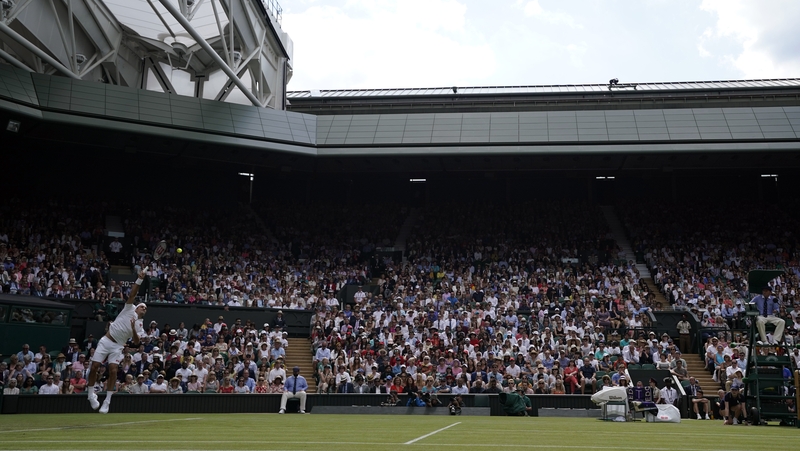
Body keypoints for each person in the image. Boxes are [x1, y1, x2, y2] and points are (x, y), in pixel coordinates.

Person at [87, 268, 148, 413]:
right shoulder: (129, 308)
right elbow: (133, 292)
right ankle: (90, 395)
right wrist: (139, 279)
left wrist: (133, 328)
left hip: (118, 347)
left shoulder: (140, 324)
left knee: (113, 370)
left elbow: (136, 342)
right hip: (106, 341)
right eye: (143, 307)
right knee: (95, 366)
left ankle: (107, 401)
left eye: (146, 308)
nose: (145, 309)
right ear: (137, 307)